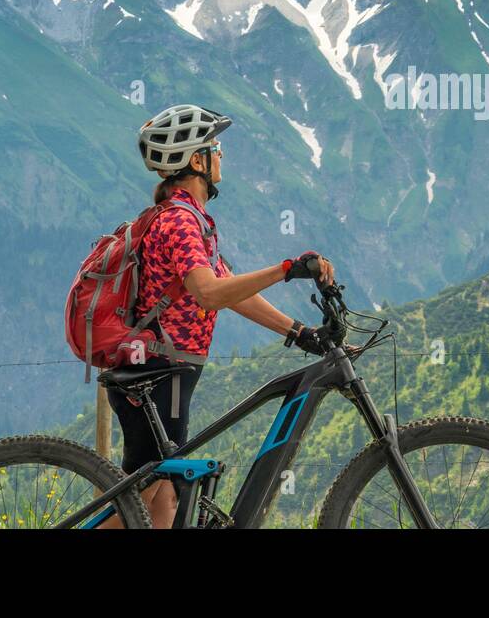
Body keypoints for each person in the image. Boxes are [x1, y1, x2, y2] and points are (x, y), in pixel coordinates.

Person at [103, 103, 334, 528]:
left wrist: (299, 332)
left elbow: (231, 291)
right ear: (197, 160)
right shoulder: (179, 221)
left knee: (162, 502)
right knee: (143, 500)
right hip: (158, 375)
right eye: (215, 146)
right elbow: (209, 294)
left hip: (167, 373)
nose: (221, 155)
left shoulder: (192, 220)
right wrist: (286, 269)